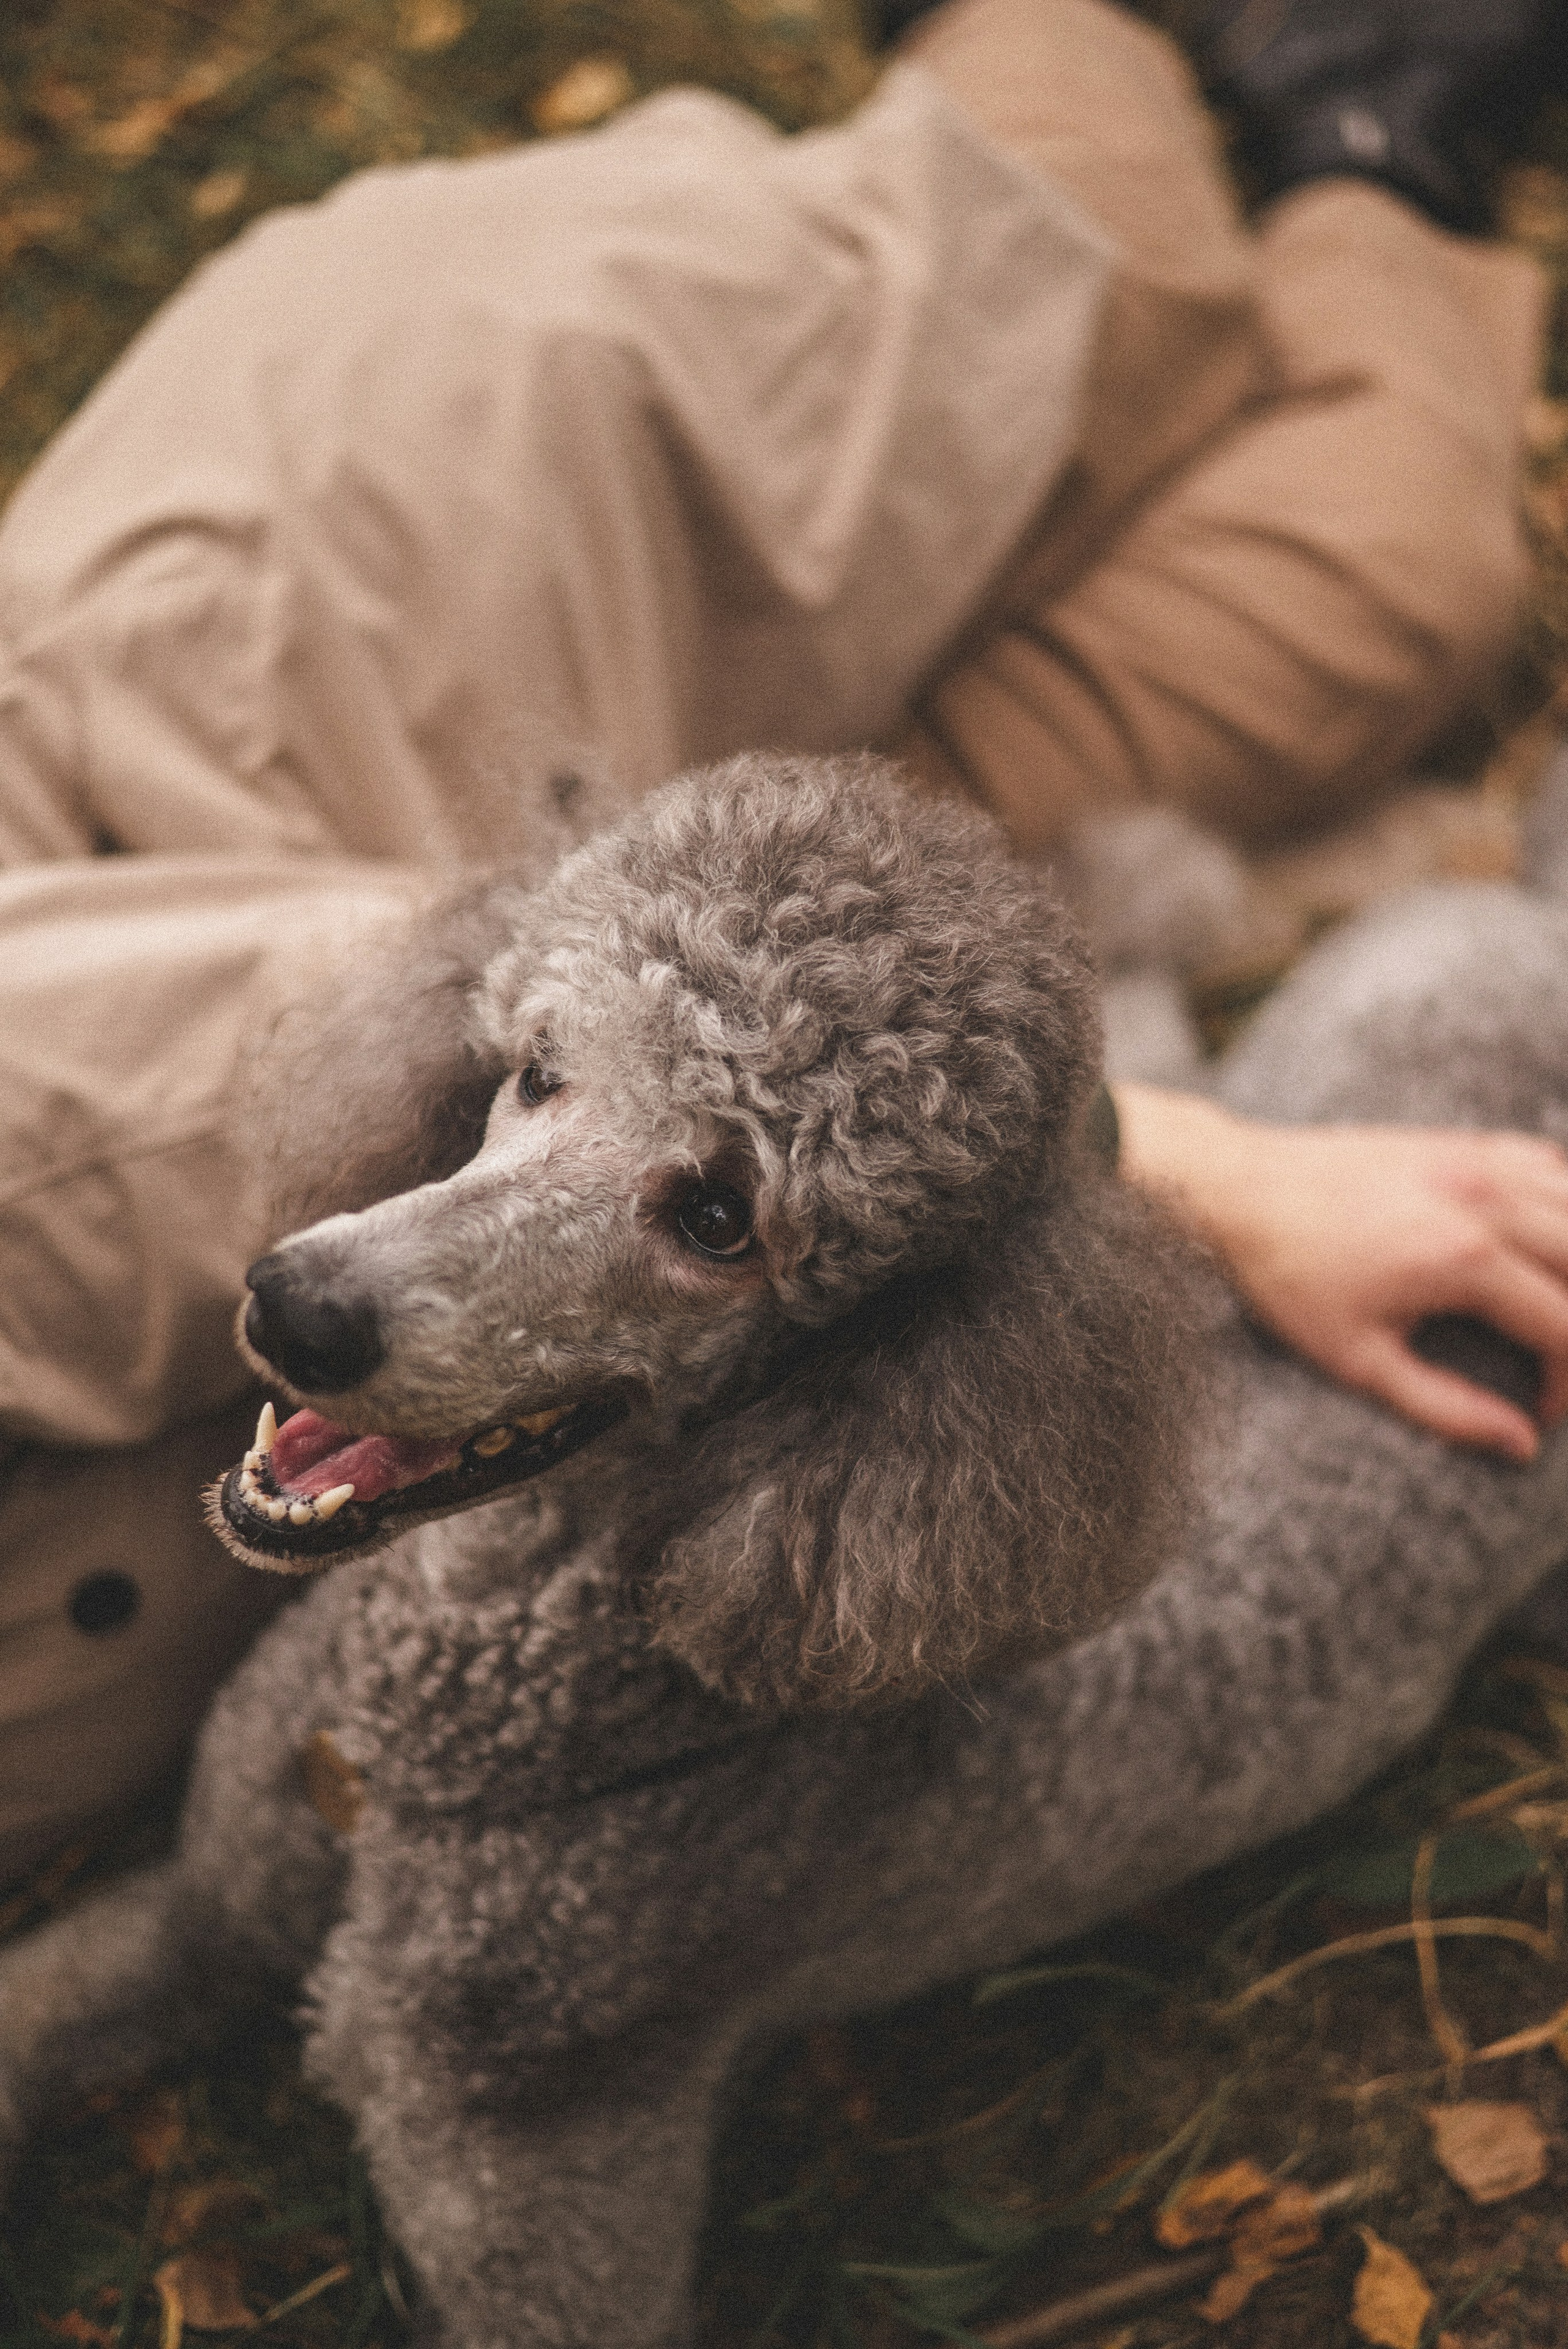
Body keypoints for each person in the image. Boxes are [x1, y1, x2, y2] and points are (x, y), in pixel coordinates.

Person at [0, 0, 1565, 1881]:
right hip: (807, 963)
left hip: (387, 624)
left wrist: (1185, 1172)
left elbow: (255, 1038)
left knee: (1114, 253)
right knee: (1402, 573)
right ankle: (1376, 141)